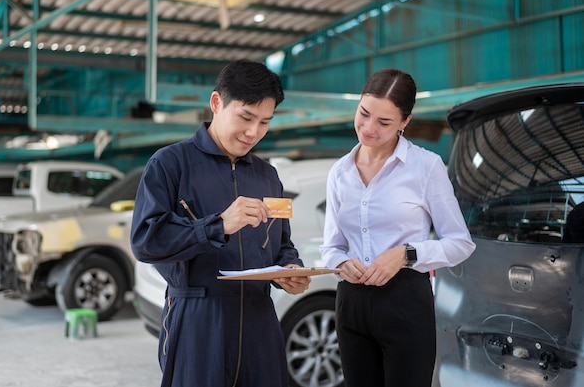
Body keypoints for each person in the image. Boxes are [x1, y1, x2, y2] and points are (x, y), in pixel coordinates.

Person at [130, 59, 311, 387]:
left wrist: (290, 268)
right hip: (198, 317)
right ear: (216, 103)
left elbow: (281, 244)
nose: (253, 132)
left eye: (265, 122)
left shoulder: (267, 176)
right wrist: (217, 226)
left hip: (260, 320)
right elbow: (146, 241)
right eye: (245, 117)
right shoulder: (171, 164)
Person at [319, 68, 476, 387]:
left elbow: (460, 243)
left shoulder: (426, 167)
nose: (368, 128)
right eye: (363, 114)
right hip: (350, 302)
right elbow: (331, 247)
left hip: (404, 301)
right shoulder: (340, 172)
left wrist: (405, 254)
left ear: (405, 122)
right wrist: (340, 264)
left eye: (384, 122)